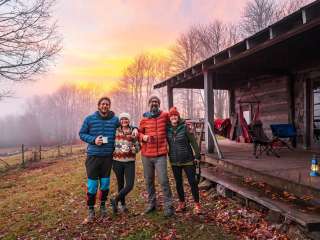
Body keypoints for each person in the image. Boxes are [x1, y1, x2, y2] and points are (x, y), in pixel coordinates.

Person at [79, 97, 119, 223]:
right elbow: (81, 133)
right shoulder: (89, 119)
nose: (104, 106)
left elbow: (125, 125)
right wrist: (93, 140)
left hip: (107, 157)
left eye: (107, 104)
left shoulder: (115, 120)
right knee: (92, 186)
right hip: (93, 157)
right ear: (98, 106)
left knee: (105, 184)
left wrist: (134, 128)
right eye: (102, 104)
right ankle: (91, 210)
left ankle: (102, 207)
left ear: (109, 106)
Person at [139, 95, 174, 217]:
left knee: (164, 180)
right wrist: (143, 137)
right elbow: (138, 132)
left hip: (160, 155)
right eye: (152, 102)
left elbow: (175, 119)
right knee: (149, 181)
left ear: (159, 104)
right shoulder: (144, 119)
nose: (154, 103)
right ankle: (151, 204)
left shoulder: (164, 115)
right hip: (146, 155)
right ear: (149, 104)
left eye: (156, 102)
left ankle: (169, 206)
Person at [167, 107, 202, 214]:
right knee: (178, 183)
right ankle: (182, 203)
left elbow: (193, 142)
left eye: (175, 115)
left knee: (193, 182)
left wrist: (197, 155)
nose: (174, 117)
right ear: (169, 117)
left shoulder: (185, 127)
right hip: (174, 160)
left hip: (187, 159)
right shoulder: (167, 129)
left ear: (178, 116)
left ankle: (197, 205)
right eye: (172, 115)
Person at [110, 112, 140, 214]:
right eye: (122, 119)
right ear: (120, 121)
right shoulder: (116, 131)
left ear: (129, 120)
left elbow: (138, 147)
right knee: (120, 184)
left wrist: (134, 149)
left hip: (129, 162)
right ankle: (122, 205)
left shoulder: (133, 131)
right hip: (117, 161)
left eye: (126, 119)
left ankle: (115, 199)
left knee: (130, 185)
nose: (124, 121)